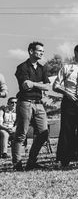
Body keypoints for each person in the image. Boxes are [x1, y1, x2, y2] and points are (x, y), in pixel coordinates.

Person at [13, 42, 51, 171]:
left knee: (43, 134)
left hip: (39, 104)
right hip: (25, 102)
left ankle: (31, 162)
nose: (41, 53)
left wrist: (34, 83)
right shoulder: (22, 67)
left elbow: (47, 86)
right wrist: (39, 84)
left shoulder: (42, 68)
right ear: (30, 51)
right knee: (21, 134)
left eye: (43, 51)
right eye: (39, 51)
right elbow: (25, 85)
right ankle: (17, 164)